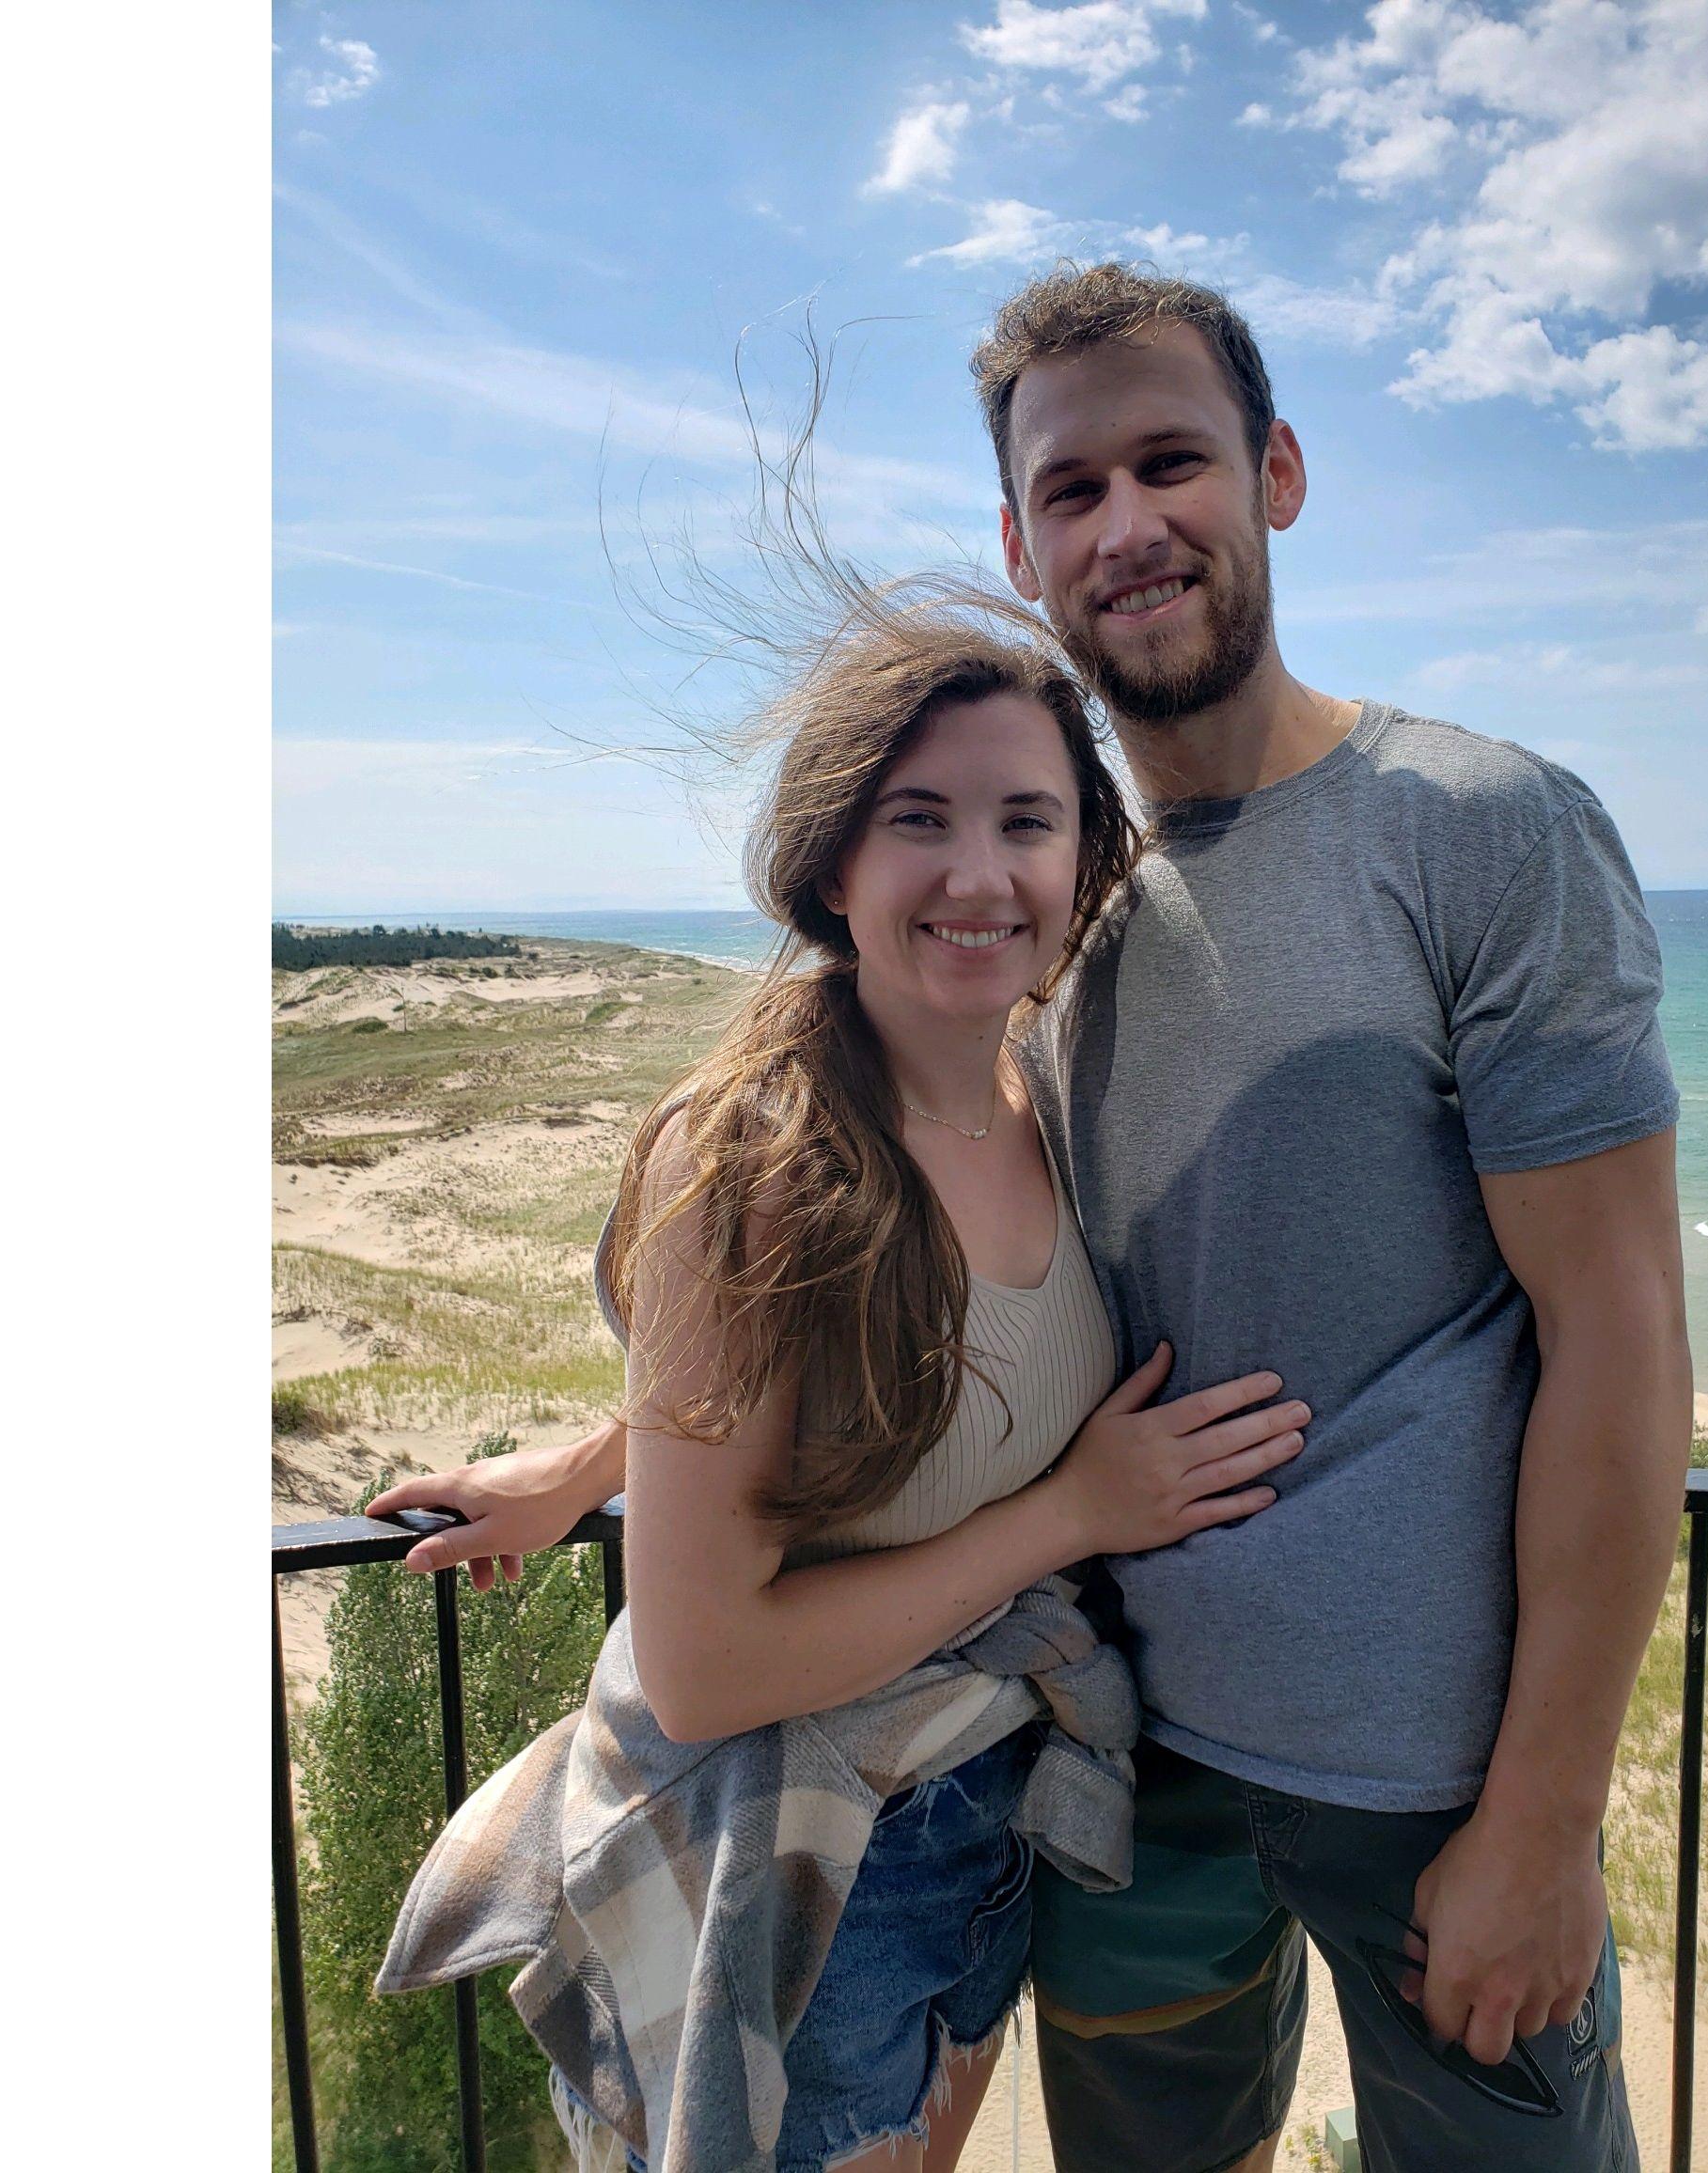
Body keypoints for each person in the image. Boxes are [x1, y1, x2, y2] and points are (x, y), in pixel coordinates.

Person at [384, 260, 1694, 2173]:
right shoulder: (1055, 922)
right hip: (1123, 1768)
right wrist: (600, 1466)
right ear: (1021, 542)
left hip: (1432, 1784)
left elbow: (1625, 1338)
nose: (1128, 523)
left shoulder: (1479, 830)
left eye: (1174, 461)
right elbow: (889, 1293)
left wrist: (1546, 1815)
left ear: (1279, 474)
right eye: (1072, 489)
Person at [369, 576, 1310, 2173]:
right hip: (820, 1863)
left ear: (1086, 861)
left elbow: (871, 1396)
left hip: (983, 1797)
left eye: (1027, 819)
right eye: (918, 819)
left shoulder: (1045, 1097)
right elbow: (707, 1668)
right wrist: (1077, 1511)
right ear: (833, 862)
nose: (976, 871)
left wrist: (606, 1463)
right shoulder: (748, 1160)